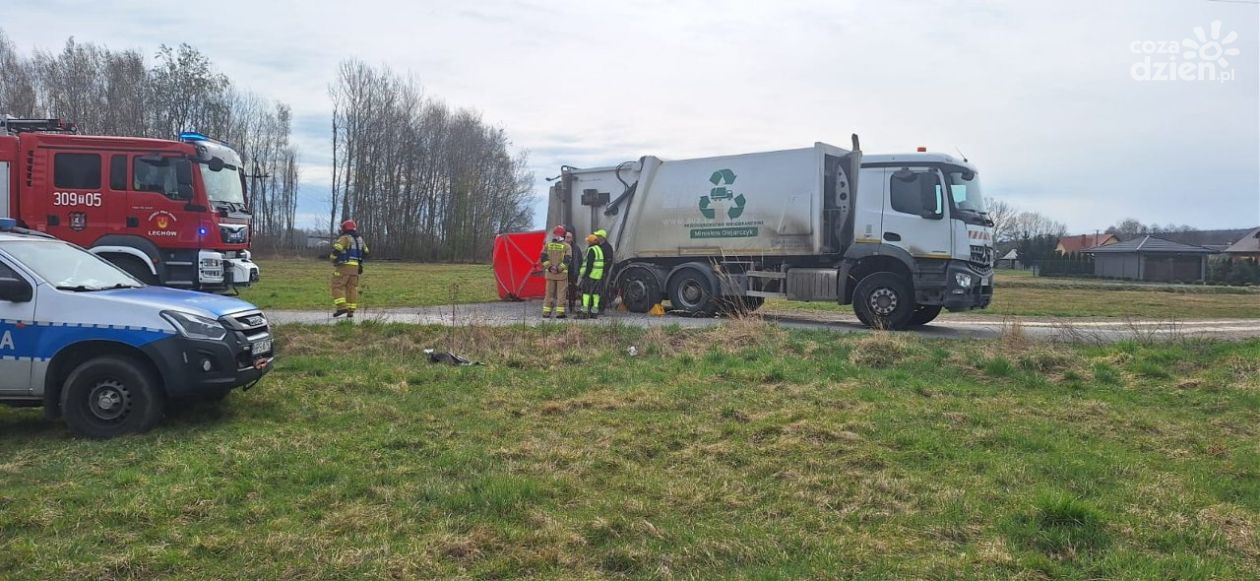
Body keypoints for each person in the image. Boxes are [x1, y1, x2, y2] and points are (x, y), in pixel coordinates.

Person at [330, 219, 369, 318]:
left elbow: (337, 249)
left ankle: (341, 307)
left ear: (344, 228)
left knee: (336, 286)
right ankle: (351, 311)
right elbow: (366, 251)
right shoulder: (360, 239)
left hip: (344, 266)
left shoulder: (345, 238)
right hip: (355, 268)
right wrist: (359, 262)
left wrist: (333, 259)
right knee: (352, 289)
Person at [539, 225, 572, 318]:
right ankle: (560, 313)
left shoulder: (548, 245)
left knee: (549, 293)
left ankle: (546, 313)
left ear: (554, 234)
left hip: (550, 274)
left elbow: (543, 258)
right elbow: (567, 260)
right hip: (561, 275)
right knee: (561, 294)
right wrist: (558, 269)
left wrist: (550, 268)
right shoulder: (567, 246)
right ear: (564, 235)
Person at [577, 229, 609, 319]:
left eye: (588, 241)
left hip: (590, 275)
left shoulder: (591, 250)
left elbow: (589, 264)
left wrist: (585, 275)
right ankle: (594, 312)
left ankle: (584, 311)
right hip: (598, 276)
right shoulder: (599, 249)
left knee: (586, 293)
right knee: (596, 294)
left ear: (590, 242)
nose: (587, 242)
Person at [595, 229, 615, 313]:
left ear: (602, 237)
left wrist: (603, 271)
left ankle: (601, 308)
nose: (597, 237)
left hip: (602, 273)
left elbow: (609, 261)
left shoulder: (607, 247)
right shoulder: (598, 246)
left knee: (602, 290)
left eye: (598, 236)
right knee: (596, 290)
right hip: (596, 272)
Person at [564, 230, 579, 315]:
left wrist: (577, 271)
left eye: (569, 237)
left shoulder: (576, 248)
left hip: (572, 272)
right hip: (562, 271)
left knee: (572, 291)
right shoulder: (562, 246)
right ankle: (561, 308)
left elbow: (579, 260)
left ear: (572, 238)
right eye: (566, 237)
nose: (567, 239)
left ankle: (571, 307)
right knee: (562, 290)